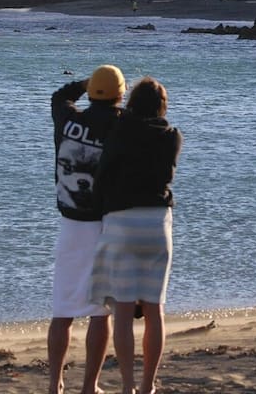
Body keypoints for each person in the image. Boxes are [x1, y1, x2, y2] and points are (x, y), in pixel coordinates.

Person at [91, 78, 182, 394]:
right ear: (161, 106)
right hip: (157, 222)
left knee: (124, 311)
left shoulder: (120, 133)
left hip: (122, 220)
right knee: (155, 310)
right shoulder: (171, 136)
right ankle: (147, 386)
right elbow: (167, 174)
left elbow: (102, 177)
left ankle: (128, 385)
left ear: (131, 103)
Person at [49, 65, 126, 394]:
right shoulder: (122, 126)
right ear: (120, 95)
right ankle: (89, 386)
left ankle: (54, 384)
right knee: (100, 311)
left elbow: (60, 96)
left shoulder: (68, 120)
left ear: (92, 91)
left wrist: (84, 83)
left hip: (70, 224)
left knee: (63, 310)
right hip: (104, 225)